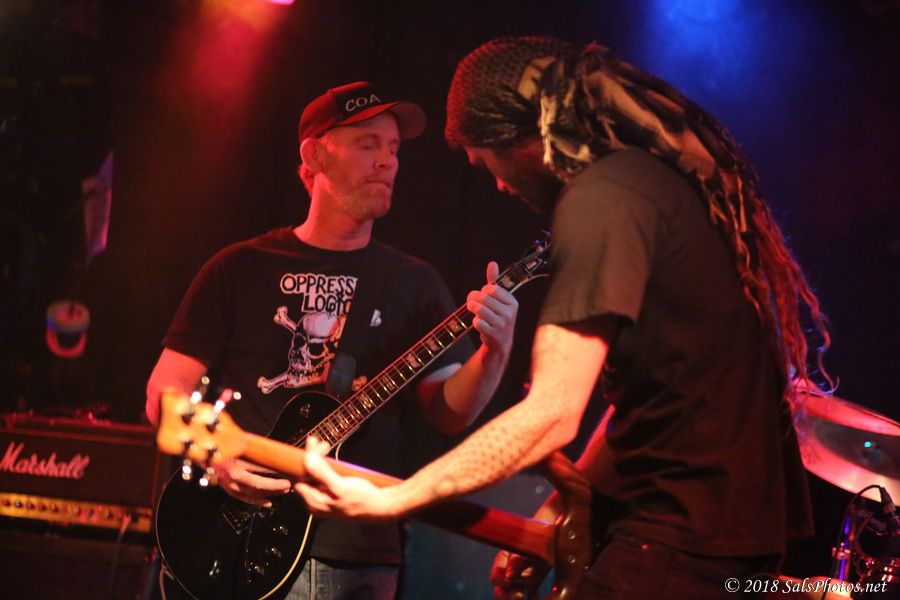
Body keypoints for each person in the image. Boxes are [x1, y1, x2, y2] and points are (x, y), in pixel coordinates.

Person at [293, 37, 833, 599]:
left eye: (485, 161)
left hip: (672, 546)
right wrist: (560, 512)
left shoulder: (603, 198)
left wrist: (396, 498)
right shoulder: (649, 185)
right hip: (720, 545)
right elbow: (657, 400)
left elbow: (552, 413)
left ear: (515, 134)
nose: (498, 183)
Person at [145, 81, 519, 599]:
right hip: (224, 535)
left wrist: (495, 352)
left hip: (355, 552)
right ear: (314, 155)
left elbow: (449, 413)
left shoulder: (415, 283)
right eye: (368, 144)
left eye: (394, 149)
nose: (387, 161)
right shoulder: (240, 268)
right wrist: (217, 456)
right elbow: (165, 390)